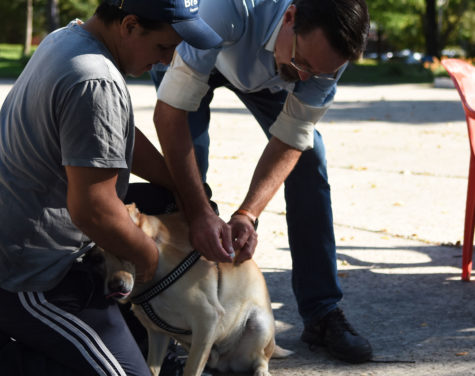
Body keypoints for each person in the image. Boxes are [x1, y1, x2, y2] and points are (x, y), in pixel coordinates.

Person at [0, 1, 222, 375]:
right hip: (26, 281)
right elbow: (94, 210)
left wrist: (187, 191)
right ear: (130, 26)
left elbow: (113, 135)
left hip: (13, 250)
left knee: (170, 200)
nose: (167, 60)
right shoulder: (94, 79)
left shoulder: (70, 38)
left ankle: (137, 334)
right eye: (164, 47)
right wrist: (149, 259)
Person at [151, 0, 373, 364]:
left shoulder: (328, 51)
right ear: (289, 17)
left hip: (266, 66)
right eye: (304, 63)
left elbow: (294, 134)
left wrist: (247, 214)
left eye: (316, 72)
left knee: (310, 159)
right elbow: (170, 115)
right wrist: (200, 210)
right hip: (206, 43)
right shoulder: (228, 9)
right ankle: (173, 316)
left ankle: (321, 311)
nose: (305, 78)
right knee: (187, 171)